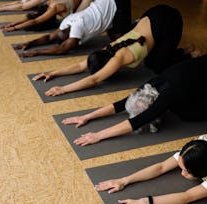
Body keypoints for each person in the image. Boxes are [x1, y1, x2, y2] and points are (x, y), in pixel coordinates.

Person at [32, 4, 199, 95]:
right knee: (152, 59)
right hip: (154, 13)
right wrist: (53, 73)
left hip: (170, 21)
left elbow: (94, 80)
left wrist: (62, 89)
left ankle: (188, 52)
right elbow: (80, 66)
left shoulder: (120, 57)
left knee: (158, 66)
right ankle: (181, 50)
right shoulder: (109, 48)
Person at [61, 55, 207, 146]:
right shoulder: (149, 87)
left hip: (198, 72)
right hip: (196, 69)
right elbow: (120, 104)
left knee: (186, 114)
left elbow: (137, 122)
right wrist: (86, 117)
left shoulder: (167, 96)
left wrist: (98, 135)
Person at [94, 135, 207, 204]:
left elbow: (187, 197)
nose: (182, 173)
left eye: (187, 171)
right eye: (180, 168)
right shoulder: (198, 145)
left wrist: (143, 202)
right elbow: (161, 167)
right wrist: (124, 180)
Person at [14, 0, 127, 55]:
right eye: (63, 34)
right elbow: (51, 40)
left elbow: (61, 48)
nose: (62, 31)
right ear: (67, 37)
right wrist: (31, 44)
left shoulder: (69, 24)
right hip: (112, 4)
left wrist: (34, 48)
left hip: (112, 3)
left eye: (61, 32)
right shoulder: (71, 27)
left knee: (117, 37)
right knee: (116, 38)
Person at [0, 0, 92, 32]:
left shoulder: (52, 6)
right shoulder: (52, 5)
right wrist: (14, 25)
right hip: (77, 6)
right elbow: (34, 20)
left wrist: (14, 26)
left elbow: (35, 20)